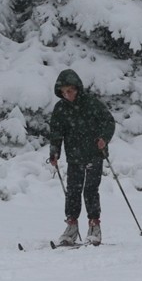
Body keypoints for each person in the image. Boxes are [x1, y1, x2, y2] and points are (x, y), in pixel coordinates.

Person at [48, 69, 115, 246]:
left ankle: (94, 226)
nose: (67, 95)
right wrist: (54, 152)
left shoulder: (92, 104)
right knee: (73, 191)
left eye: (69, 91)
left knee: (90, 190)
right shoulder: (60, 109)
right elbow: (56, 132)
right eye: (63, 92)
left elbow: (108, 122)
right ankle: (71, 226)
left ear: (77, 88)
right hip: (74, 156)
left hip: (94, 154)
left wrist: (104, 139)